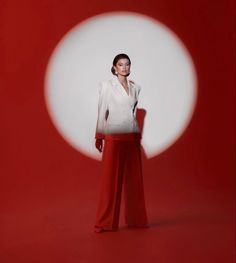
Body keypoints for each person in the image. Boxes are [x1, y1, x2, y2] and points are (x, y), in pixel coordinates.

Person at [94, 53, 149, 233]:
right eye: (120, 64)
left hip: (132, 135)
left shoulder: (136, 88)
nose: (124, 67)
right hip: (114, 135)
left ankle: (136, 220)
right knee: (111, 180)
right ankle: (105, 223)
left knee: (135, 180)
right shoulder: (106, 86)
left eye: (127, 64)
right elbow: (102, 110)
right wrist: (99, 135)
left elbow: (132, 113)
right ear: (114, 67)